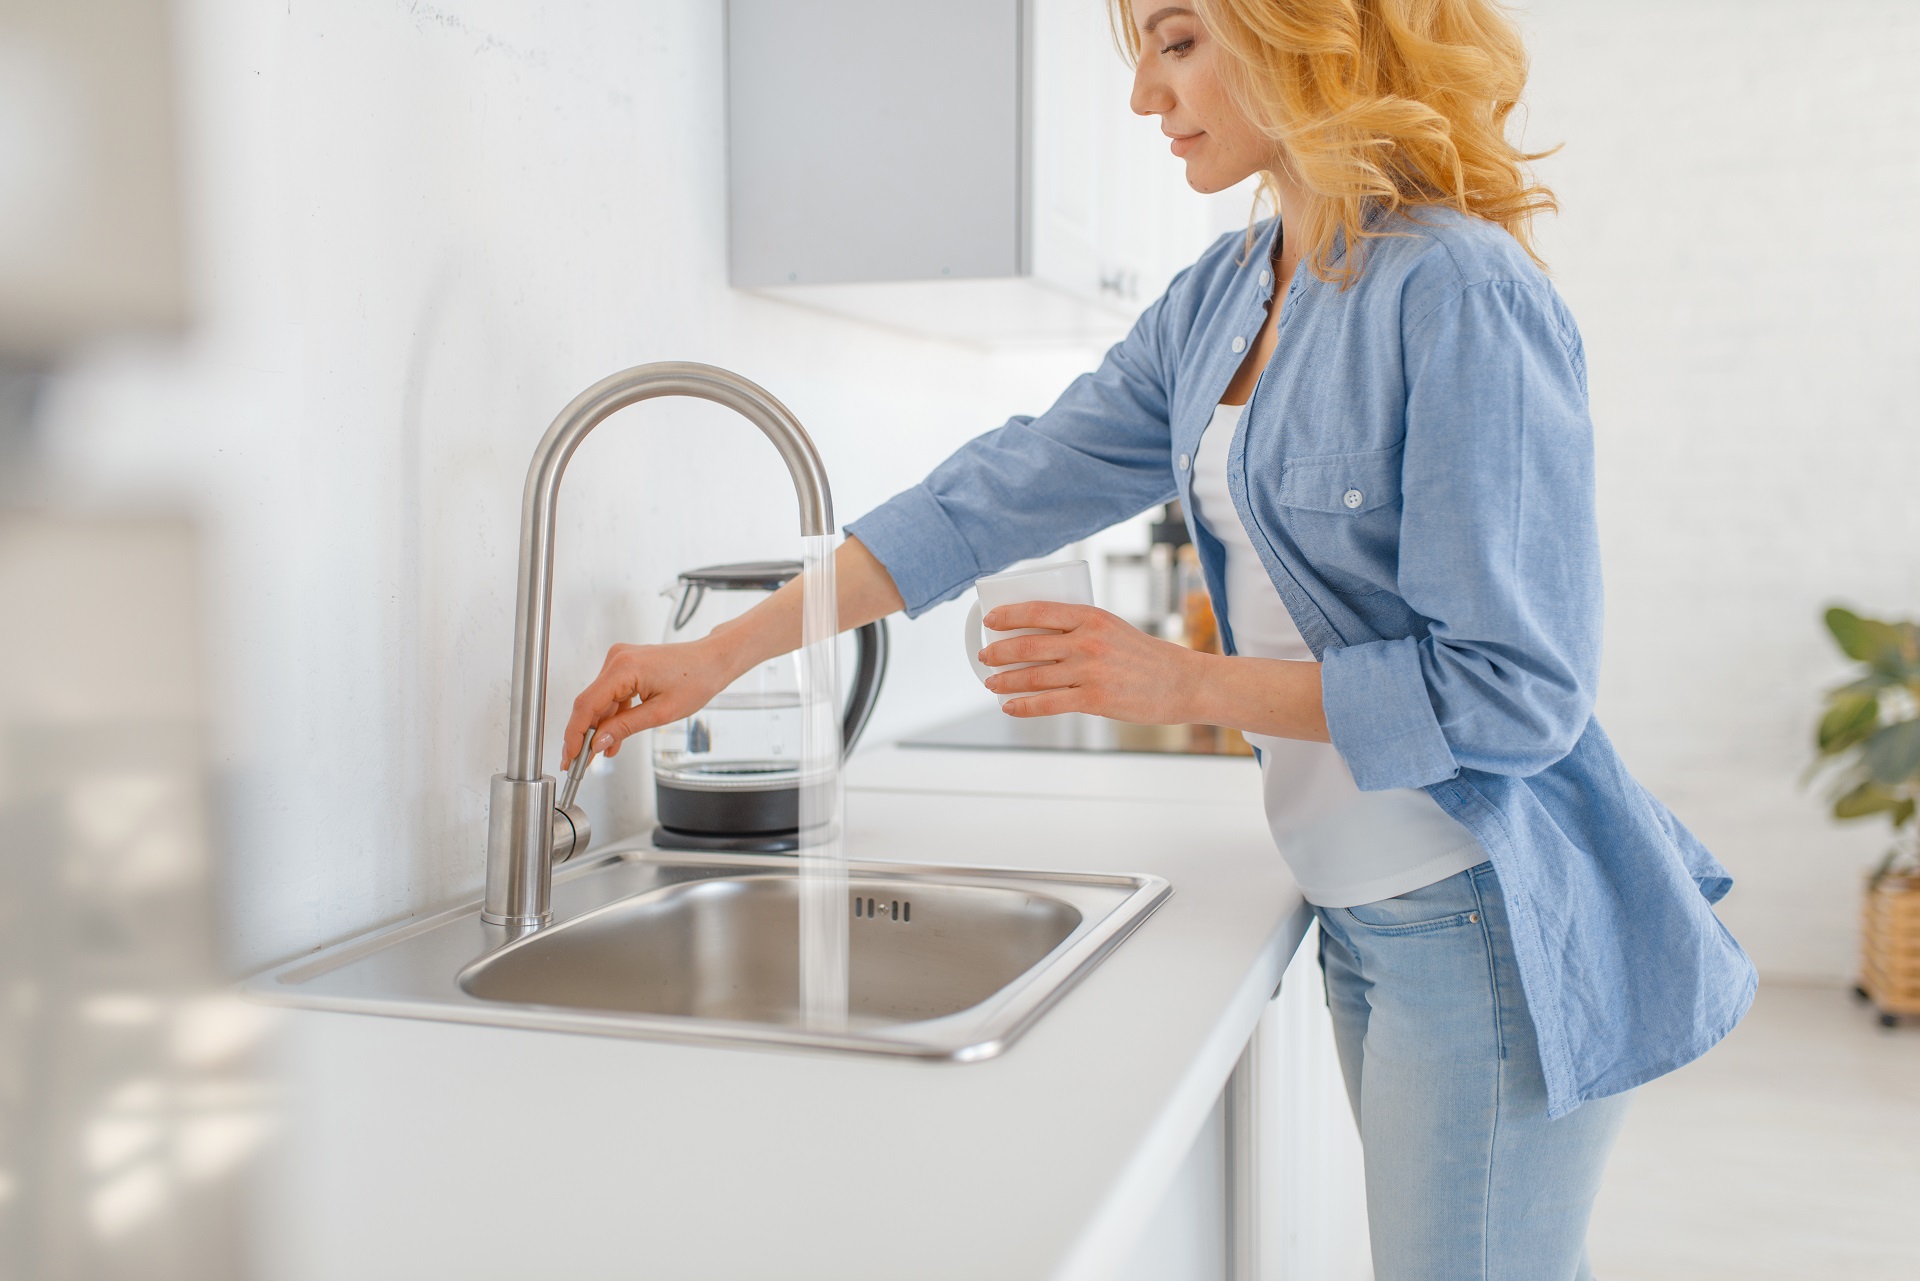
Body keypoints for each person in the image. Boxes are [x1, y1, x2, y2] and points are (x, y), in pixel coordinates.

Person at [563, 2, 1755, 1276]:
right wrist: (729, 651)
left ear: (1310, 34)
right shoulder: (1225, 297)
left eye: (1179, 41)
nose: (1145, 97)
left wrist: (1177, 678)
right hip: (1362, 908)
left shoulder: (1459, 291)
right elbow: (1005, 487)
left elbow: (1519, 696)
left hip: (1477, 913)